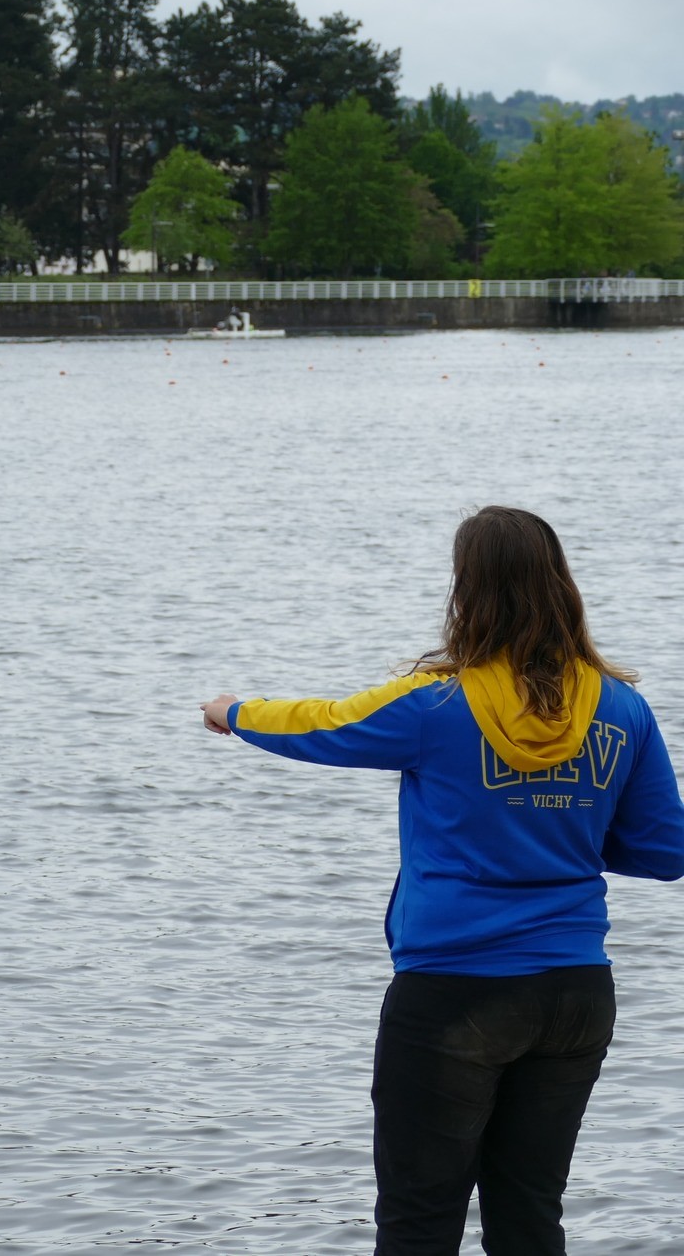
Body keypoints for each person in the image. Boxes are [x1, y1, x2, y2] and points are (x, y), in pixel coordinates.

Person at [202, 506, 684, 1254]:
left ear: (468, 592)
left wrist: (234, 712)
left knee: (419, 1221)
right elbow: (664, 850)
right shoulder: (623, 707)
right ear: (562, 584)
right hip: (576, 994)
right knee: (530, 1218)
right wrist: (562, 826)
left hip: (455, 993)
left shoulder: (435, 703)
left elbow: (324, 723)